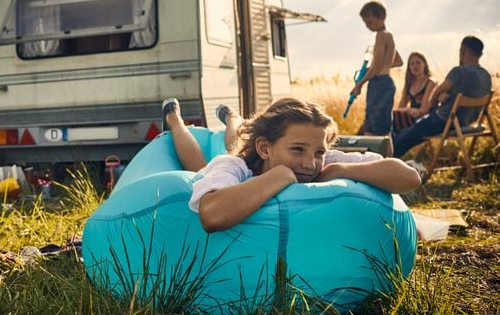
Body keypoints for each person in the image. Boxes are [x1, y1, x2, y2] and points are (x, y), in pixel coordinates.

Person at [163, 97, 421, 233]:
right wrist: (281, 175)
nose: (309, 163)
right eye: (297, 149)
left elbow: (410, 178)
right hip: (225, 163)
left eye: (319, 151)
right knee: (211, 160)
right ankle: (174, 118)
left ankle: (232, 116)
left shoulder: (322, 161)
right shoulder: (234, 167)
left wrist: (339, 170)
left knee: (239, 141)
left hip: (256, 150)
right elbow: (212, 216)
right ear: (265, 148)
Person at [393, 36, 492, 158]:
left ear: (463, 50)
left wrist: (438, 101)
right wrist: (447, 97)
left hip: (442, 120)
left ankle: (384, 162)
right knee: (405, 132)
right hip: (466, 121)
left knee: (403, 137)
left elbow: (434, 97)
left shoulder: (458, 72)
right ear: (480, 54)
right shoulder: (486, 75)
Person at [351, 1, 403, 136]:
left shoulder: (380, 36)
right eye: (365, 23)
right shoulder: (389, 35)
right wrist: (383, 65)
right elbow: (398, 61)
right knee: (383, 127)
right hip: (387, 81)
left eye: (370, 22)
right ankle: (387, 150)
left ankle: (377, 150)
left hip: (379, 83)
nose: (367, 26)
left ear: (382, 17)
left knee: (374, 128)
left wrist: (359, 84)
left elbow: (377, 66)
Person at [392, 52, 437, 133]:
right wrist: (409, 110)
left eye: (418, 63)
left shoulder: (430, 83)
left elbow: (424, 110)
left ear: (424, 64)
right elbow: (400, 108)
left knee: (395, 122)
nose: (415, 66)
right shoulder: (409, 84)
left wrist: (408, 110)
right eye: (412, 64)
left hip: (425, 119)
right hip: (411, 116)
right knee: (390, 118)